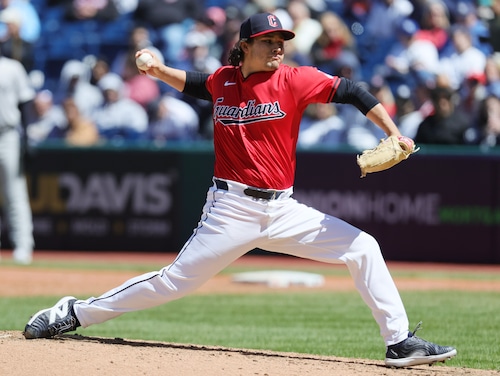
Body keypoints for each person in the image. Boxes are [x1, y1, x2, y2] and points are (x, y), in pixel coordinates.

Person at [23, 12, 457, 368]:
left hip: (284, 210)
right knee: (172, 283)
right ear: (245, 45)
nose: (278, 47)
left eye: (281, 39)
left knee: (363, 247)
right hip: (230, 209)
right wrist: (157, 71)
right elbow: (197, 83)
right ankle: (74, 312)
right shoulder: (224, 80)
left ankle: (399, 342)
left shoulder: (294, 79)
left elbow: (355, 91)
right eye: (268, 40)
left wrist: (395, 132)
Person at [0, 51, 35, 264]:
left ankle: (23, 246)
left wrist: (27, 138)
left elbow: (25, 104)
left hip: (8, 134)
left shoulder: (12, 67)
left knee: (15, 192)